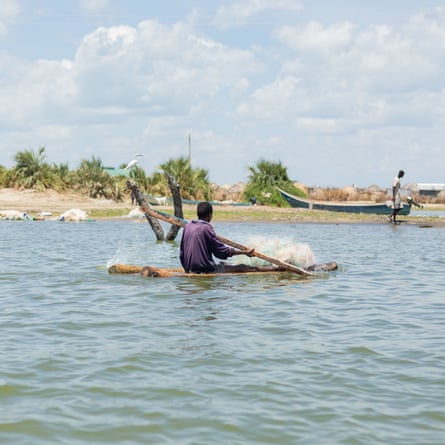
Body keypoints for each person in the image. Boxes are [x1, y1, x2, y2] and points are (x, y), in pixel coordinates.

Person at [180, 201, 278, 274]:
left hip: (189, 269)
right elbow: (221, 252)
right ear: (210, 215)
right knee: (243, 267)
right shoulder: (206, 228)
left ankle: (223, 266)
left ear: (198, 214)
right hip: (205, 270)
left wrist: (187, 270)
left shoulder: (188, 226)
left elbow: (182, 253)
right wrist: (244, 253)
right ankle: (276, 269)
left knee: (224, 263)